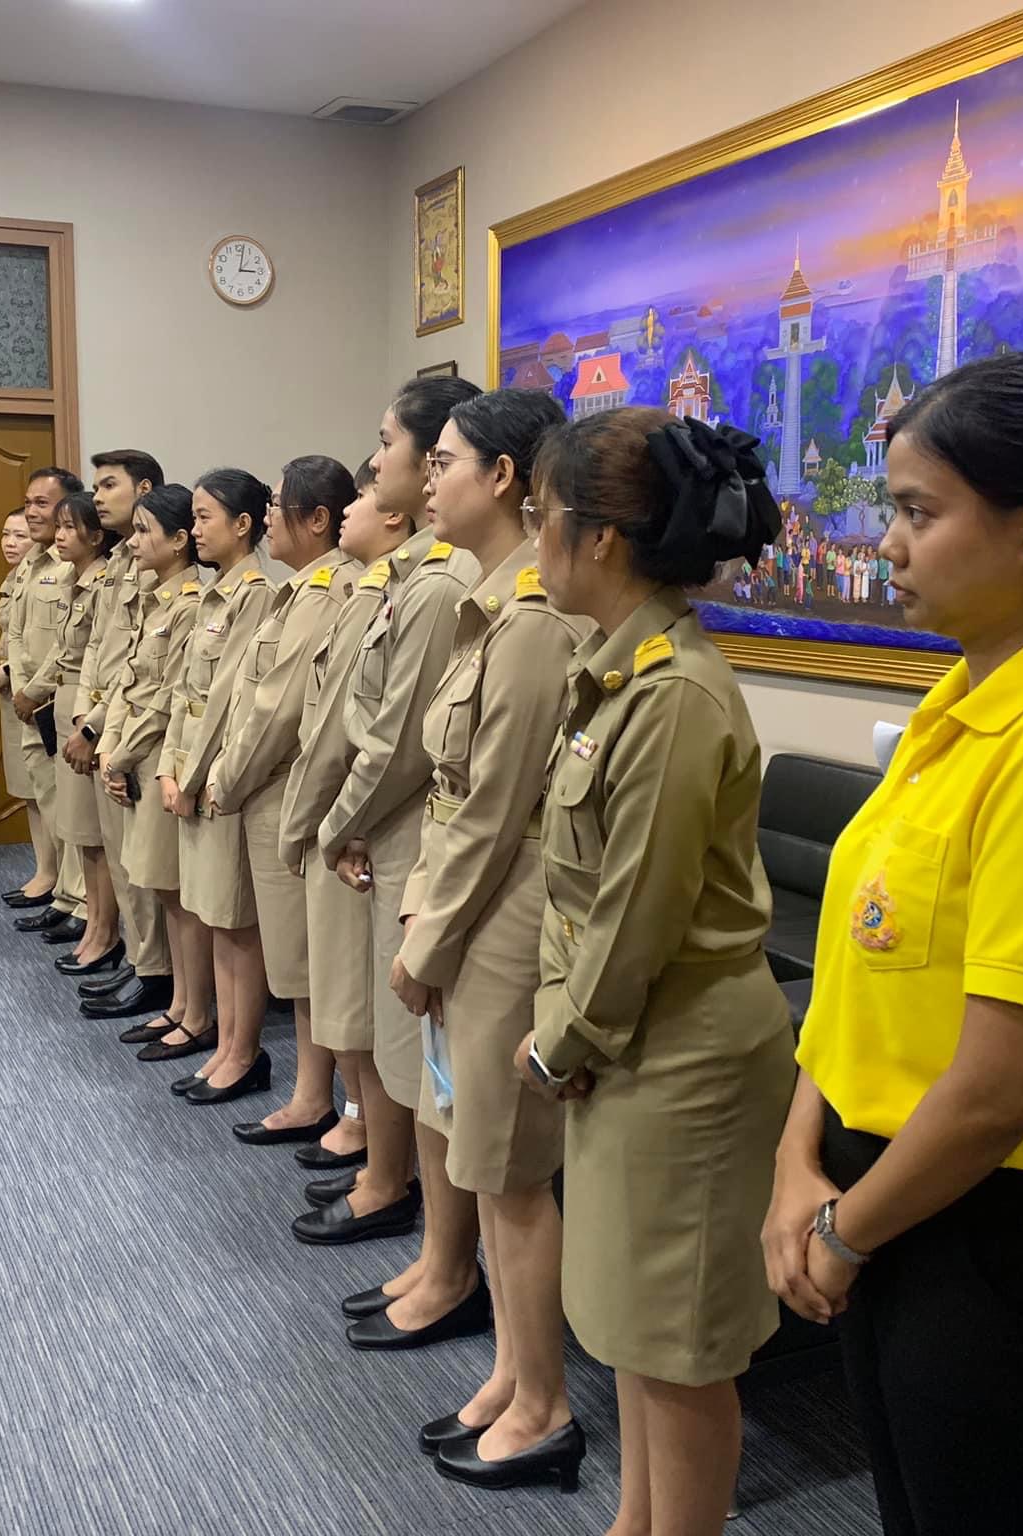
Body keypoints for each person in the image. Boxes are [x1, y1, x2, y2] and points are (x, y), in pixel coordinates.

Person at [767, 353, 1023, 1536]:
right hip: (878, 1187)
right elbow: (855, 972)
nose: (887, 543)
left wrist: (841, 1228)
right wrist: (798, 1163)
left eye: (915, 511)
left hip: (990, 1231)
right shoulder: (957, 706)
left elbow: (1000, 1088)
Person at [518, 408, 794, 1531]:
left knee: (679, 1351)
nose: (533, 539)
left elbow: (635, 918)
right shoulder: (610, 673)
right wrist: (565, 1031)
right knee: (634, 1330)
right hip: (624, 1045)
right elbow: (573, 894)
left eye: (541, 518)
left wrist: (557, 1047)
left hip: (679, 1055)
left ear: (599, 541)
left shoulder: (672, 695)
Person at [390, 388, 591, 1490]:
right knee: (484, 1154)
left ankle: (547, 1403)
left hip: (506, 915)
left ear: (507, 478)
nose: (428, 476)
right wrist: (424, 913)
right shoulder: (486, 607)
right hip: (470, 903)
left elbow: (492, 807)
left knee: (510, 1170)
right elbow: (451, 793)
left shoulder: (531, 622)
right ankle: (514, 1373)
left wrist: (425, 938)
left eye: (448, 459)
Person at [319, 376, 487, 1350]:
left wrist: (336, 824)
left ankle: (448, 1265)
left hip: (419, 855)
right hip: (398, 850)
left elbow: (402, 749)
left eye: (387, 444)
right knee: (411, 1069)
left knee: (432, 1078)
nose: (374, 462)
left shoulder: (447, 589)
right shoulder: (431, 579)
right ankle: (435, 1256)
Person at [282, 463, 417, 1240]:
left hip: (362, 825)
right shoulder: (380, 587)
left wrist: (320, 828)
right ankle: (379, 1162)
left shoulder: (403, 590)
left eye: (367, 493)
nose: (355, 509)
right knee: (349, 1003)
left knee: (366, 1013)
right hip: (349, 821)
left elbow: (372, 739)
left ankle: (383, 1167)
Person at [211, 457, 358, 1148]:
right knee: (294, 959)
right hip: (267, 789)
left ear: (318, 519)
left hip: (281, 792)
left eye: (278, 505)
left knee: (304, 964)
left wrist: (227, 780)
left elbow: (276, 711)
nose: (268, 517)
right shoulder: (301, 590)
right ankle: (314, 1094)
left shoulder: (326, 592)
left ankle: (317, 1099)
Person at [156, 470, 275, 1103]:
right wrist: (169, 767)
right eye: (194, 517)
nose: (195, 529)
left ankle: (243, 1050)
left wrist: (194, 774)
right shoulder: (213, 593)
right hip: (190, 775)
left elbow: (232, 699)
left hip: (221, 779)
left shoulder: (255, 594)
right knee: (213, 915)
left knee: (235, 923)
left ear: (242, 525)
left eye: (205, 518)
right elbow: (185, 693)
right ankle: (225, 1043)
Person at [99, 486, 206, 1053]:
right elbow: (127, 683)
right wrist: (111, 748)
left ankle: (194, 1010)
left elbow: (168, 697)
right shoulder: (155, 599)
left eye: (145, 532)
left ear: (180, 540)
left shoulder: (189, 605)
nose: (134, 542)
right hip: (138, 759)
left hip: (163, 759)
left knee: (178, 893)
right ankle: (179, 1004)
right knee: (163, 891)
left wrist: (123, 752)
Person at [75, 451, 175, 1017]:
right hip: (108, 724)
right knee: (121, 856)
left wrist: (98, 728)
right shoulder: (116, 561)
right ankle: (141, 960)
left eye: (108, 485)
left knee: (143, 869)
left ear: (142, 487)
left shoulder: (157, 568)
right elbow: (99, 650)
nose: (97, 496)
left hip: (130, 730)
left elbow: (139, 669)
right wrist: (86, 721)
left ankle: (153, 969)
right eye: (95, 486)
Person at [6, 468, 89, 949]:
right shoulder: (33, 562)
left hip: (57, 699)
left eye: (44, 504)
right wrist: (22, 687)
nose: (34, 512)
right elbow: (16, 634)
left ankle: (80, 901)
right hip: (29, 700)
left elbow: (69, 645)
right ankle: (63, 892)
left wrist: (34, 690)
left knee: (69, 806)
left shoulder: (69, 566)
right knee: (47, 799)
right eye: (29, 503)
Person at [48, 495, 112, 974]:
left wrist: (87, 722)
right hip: (69, 702)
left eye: (71, 527)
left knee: (94, 833)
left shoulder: (104, 580)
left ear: (96, 534)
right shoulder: (73, 581)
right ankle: (94, 924)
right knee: (81, 832)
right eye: (60, 527)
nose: (60, 535)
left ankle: (103, 928)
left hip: (87, 708)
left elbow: (100, 657)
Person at [0, 509, 56, 910]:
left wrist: (9, 669)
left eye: (20, 535)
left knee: (46, 793)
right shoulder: (16, 576)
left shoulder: (54, 572)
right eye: (6, 533)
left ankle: (57, 878)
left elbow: (48, 644)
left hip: (35, 691)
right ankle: (43, 869)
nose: (10, 542)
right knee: (29, 793)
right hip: (12, 691)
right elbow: (10, 633)